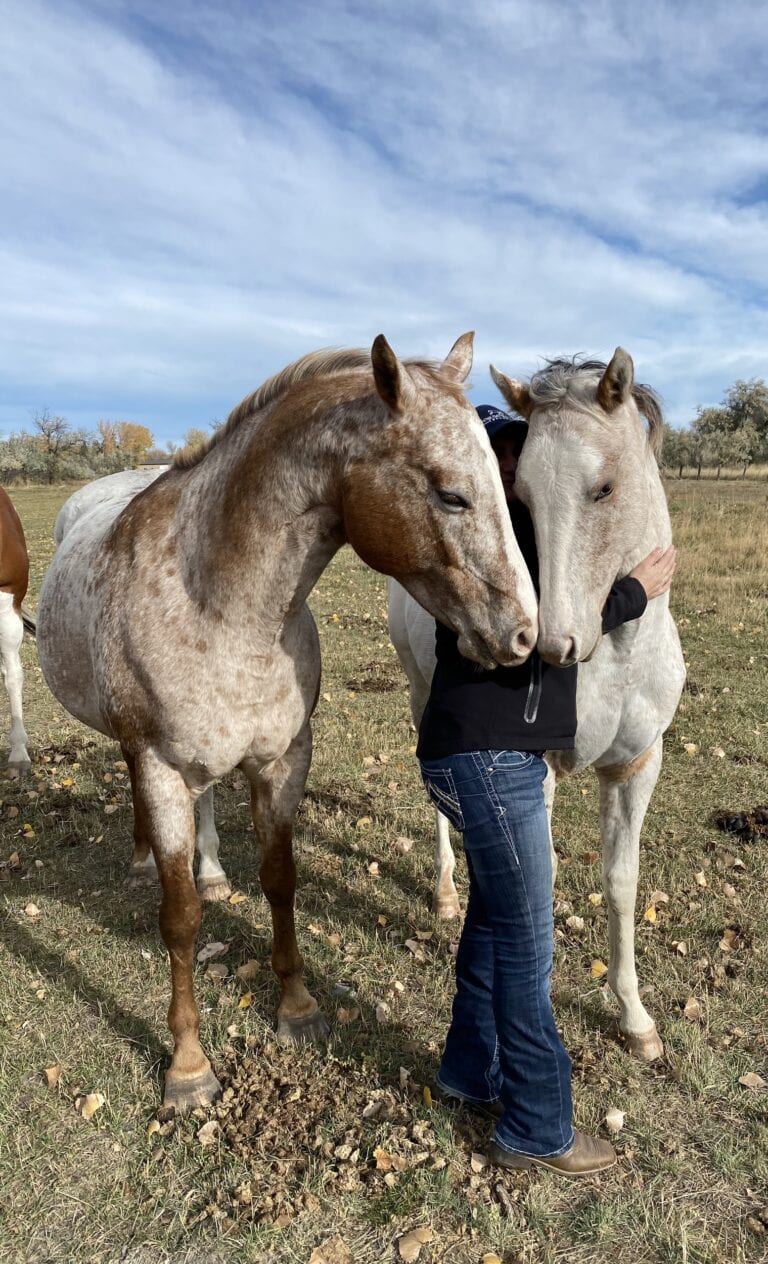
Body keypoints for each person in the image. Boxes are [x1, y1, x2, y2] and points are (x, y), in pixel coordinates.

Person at [417, 404, 677, 1178]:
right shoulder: (495, 551)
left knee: (493, 927)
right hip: (491, 764)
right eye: (496, 455)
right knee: (529, 953)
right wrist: (633, 592)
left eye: (515, 450)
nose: (507, 465)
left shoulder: (534, 537)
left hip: (486, 759)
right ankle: (537, 1125)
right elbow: (551, 633)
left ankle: (467, 1070)